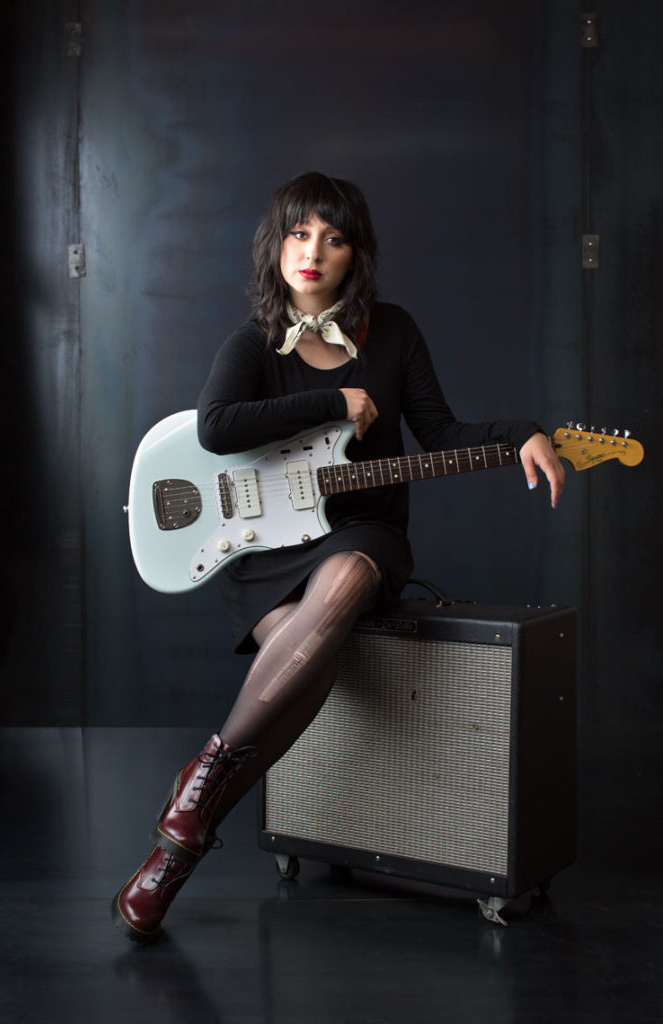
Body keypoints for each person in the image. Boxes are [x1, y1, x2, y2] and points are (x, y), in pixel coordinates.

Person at [112, 171, 565, 941]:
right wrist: (331, 401)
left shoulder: (392, 331)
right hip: (266, 555)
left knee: (349, 576)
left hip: (362, 534)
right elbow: (218, 428)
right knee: (307, 671)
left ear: (356, 253)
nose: (313, 251)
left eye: (333, 236)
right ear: (276, 246)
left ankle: (190, 810)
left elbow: (440, 430)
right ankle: (180, 845)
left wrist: (518, 431)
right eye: (298, 234)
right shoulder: (251, 343)